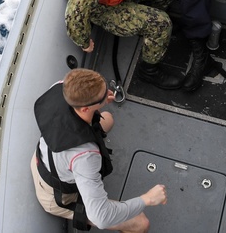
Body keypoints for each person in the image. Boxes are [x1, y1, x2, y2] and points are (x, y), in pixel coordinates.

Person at [32, 68, 168, 232]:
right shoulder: (85, 157)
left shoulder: (61, 87)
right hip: (56, 195)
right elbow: (101, 217)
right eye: (103, 96)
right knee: (141, 223)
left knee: (108, 119)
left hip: (45, 159)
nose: (109, 94)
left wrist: (102, 99)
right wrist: (147, 199)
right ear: (85, 109)